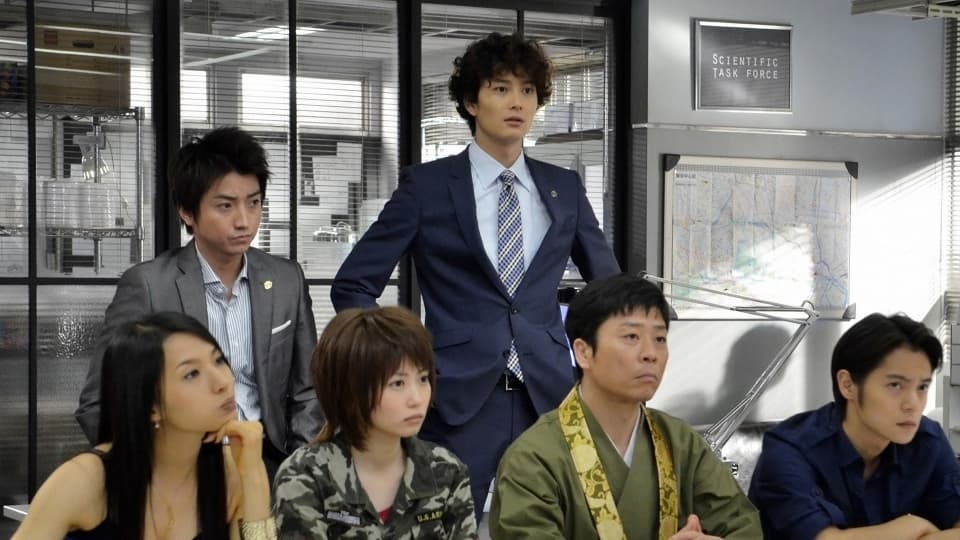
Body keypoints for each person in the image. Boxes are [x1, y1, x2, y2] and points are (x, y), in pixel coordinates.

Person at [330, 31, 620, 517]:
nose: (517, 102)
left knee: (557, 525)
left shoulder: (564, 187)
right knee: (438, 524)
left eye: (528, 90)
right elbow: (353, 284)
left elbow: (609, 291)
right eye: (501, 88)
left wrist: (601, 368)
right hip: (455, 397)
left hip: (549, 395)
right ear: (470, 102)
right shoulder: (427, 188)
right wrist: (397, 360)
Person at [76, 126, 321, 476]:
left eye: (253, 203)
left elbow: (308, 391)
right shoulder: (148, 286)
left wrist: (299, 470)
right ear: (187, 212)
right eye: (225, 206)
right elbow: (99, 402)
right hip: (183, 469)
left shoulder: (286, 280)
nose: (244, 221)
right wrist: (157, 472)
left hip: (270, 463)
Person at [490, 273, 761, 539]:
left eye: (660, 339)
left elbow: (742, 525)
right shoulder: (533, 458)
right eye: (631, 337)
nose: (650, 354)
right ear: (583, 352)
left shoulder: (681, 442)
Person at [13, 312, 274, 540]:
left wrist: (253, 475)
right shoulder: (87, 480)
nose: (222, 382)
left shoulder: (232, 470)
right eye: (191, 374)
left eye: (218, 360)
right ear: (150, 405)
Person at [749, 313, 960, 540]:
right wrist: (912, 527)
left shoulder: (928, 440)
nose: (913, 404)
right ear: (847, 385)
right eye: (895, 385)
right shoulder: (788, 450)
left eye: (922, 387)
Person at [273, 306, 477, 539]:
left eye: (423, 379)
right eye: (397, 383)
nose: (417, 398)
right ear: (352, 390)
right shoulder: (305, 476)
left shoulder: (445, 470)